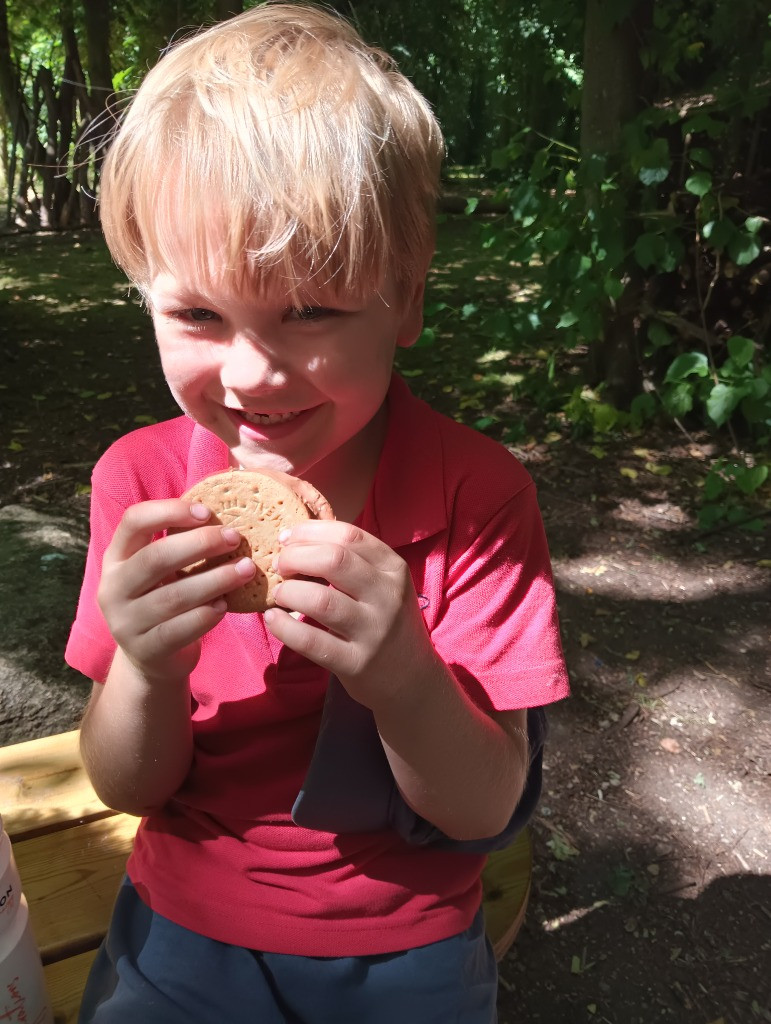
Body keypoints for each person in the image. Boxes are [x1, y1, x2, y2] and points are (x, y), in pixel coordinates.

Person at [65, 4, 570, 1021]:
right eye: (199, 314)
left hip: (408, 936)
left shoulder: (476, 498)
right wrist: (148, 664)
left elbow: (483, 807)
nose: (254, 372)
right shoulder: (142, 484)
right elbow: (126, 784)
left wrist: (404, 676)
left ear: (408, 298)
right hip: (186, 927)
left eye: (313, 311)